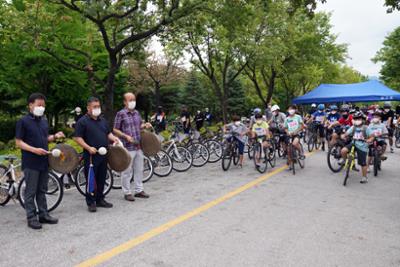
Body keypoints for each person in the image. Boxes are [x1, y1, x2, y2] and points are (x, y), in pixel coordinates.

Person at [15, 93, 65, 229]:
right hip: (31, 161)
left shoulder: (43, 121)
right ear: (30, 105)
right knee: (30, 191)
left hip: (44, 160)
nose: (41, 108)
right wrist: (33, 150)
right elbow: (18, 142)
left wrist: (55, 136)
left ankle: (43, 214)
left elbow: (44, 138)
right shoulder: (23, 121)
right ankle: (31, 217)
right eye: (39, 105)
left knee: (42, 189)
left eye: (43, 105)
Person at [74, 97, 120, 212]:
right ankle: (91, 202)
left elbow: (108, 133)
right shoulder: (82, 121)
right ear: (88, 108)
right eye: (94, 107)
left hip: (103, 155)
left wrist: (114, 139)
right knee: (91, 179)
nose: (97, 109)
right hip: (91, 156)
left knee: (102, 178)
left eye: (98, 107)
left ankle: (100, 199)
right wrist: (88, 147)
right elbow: (77, 138)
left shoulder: (102, 120)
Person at [113, 93, 151, 202]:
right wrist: (125, 136)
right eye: (130, 100)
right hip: (127, 147)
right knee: (127, 171)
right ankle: (127, 192)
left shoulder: (136, 113)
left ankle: (139, 190)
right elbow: (115, 129)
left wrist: (144, 125)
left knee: (139, 169)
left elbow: (139, 126)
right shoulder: (121, 114)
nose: (132, 102)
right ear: (124, 102)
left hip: (138, 146)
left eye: (133, 100)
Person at [341, 111, 369, 184]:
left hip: (362, 146)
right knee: (343, 150)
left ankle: (364, 177)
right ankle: (344, 161)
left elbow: (371, 136)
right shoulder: (353, 127)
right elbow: (347, 133)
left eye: (359, 119)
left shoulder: (366, 128)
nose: (357, 120)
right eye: (356, 119)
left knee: (363, 163)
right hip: (353, 143)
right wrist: (344, 136)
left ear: (363, 120)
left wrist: (369, 140)